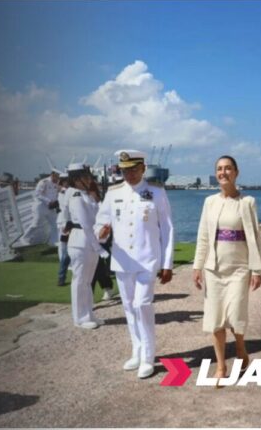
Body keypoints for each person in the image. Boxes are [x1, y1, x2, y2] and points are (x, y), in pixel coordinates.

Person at [95, 149, 174, 379]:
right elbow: (100, 222)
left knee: (142, 304)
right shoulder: (113, 193)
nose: (129, 175)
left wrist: (167, 263)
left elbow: (167, 229)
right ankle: (137, 350)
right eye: (124, 171)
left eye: (133, 170)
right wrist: (101, 232)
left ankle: (148, 357)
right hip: (122, 261)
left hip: (148, 259)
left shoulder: (156, 192)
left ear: (143, 169)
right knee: (129, 307)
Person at [192, 155, 261, 385]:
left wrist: (257, 269)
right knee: (215, 318)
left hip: (239, 269)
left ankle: (241, 350)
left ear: (236, 172)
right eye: (220, 169)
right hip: (214, 269)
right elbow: (203, 236)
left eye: (228, 168)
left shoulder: (247, 202)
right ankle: (221, 366)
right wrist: (197, 266)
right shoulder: (209, 202)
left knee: (235, 316)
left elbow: (254, 238)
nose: (223, 172)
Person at [66, 163, 107, 330]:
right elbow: (86, 224)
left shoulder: (87, 195)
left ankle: (89, 314)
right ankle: (79, 318)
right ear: (77, 180)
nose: (89, 179)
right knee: (80, 281)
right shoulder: (76, 197)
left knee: (88, 281)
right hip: (80, 243)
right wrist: (99, 247)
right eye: (85, 176)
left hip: (90, 242)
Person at [21, 169, 60, 246]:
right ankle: (24, 238)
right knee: (36, 224)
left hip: (51, 208)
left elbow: (55, 194)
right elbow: (37, 194)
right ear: (52, 175)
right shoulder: (44, 182)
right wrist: (49, 201)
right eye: (57, 177)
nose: (57, 179)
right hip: (40, 206)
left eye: (58, 177)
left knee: (55, 224)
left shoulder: (56, 183)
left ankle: (54, 241)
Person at [56, 173, 71, 286]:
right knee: (65, 252)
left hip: (67, 223)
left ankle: (61, 277)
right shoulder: (64, 192)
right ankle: (61, 277)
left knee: (66, 252)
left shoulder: (66, 191)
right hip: (66, 224)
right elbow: (66, 208)